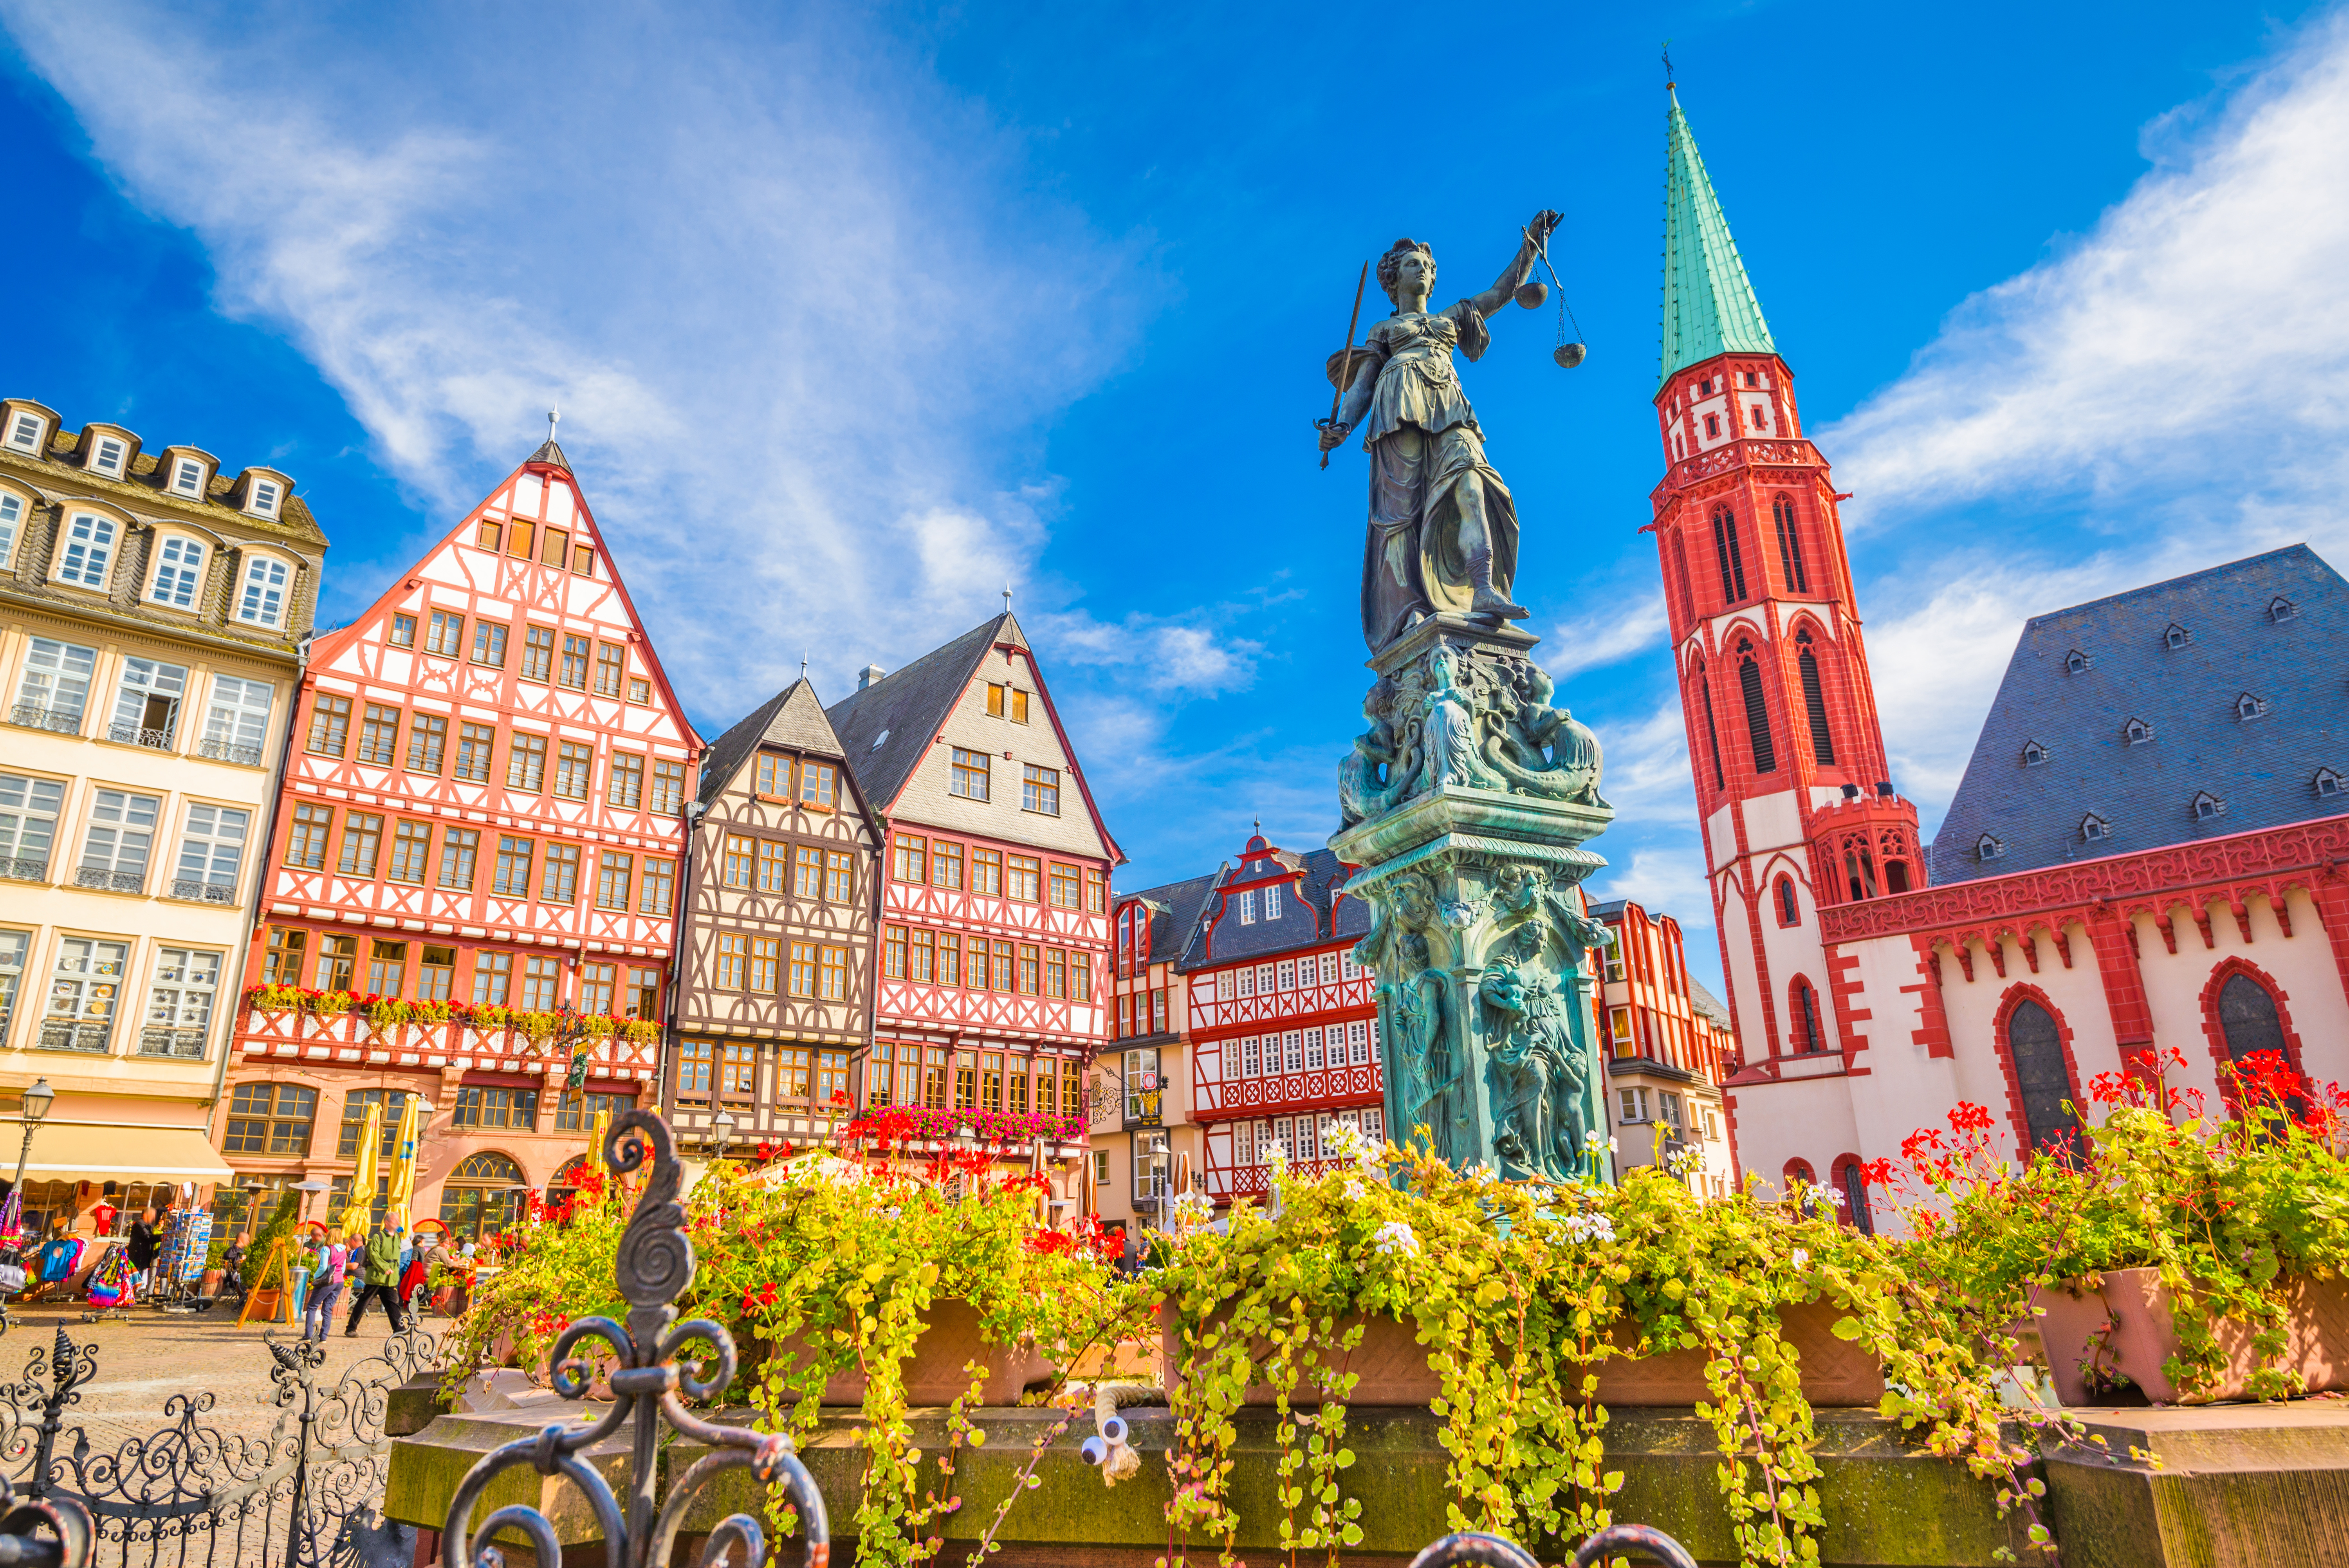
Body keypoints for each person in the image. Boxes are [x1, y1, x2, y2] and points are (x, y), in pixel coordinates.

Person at [1315, 212, 1561, 651]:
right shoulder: (1386, 330)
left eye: (1427, 266)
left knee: (1473, 485)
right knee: (1401, 517)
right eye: (1413, 265)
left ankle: (1485, 589)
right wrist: (1343, 426)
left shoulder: (1452, 318)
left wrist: (1531, 247)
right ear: (1392, 280)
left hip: (1449, 407)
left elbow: (1502, 293)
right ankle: (1407, 608)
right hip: (1399, 408)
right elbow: (1363, 386)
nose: (1423, 271)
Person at [344, 1222, 407, 1335]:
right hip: (376, 1277)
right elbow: (374, 1256)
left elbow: (395, 1259)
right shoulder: (379, 1237)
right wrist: (385, 1268)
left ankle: (399, 1328)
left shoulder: (396, 1239)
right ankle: (351, 1328)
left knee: (392, 1303)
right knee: (364, 1302)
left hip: (388, 1278)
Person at [303, 1237, 348, 1342]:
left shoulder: (327, 1249)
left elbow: (323, 1267)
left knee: (312, 1306)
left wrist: (316, 1277)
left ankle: (309, 1335)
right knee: (328, 1308)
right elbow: (343, 1269)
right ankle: (323, 1337)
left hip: (327, 1281)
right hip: (339, 1281)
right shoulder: (344, 1250)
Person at [124, 1208, 159, 1294]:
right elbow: (148, 1237)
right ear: (146, 1215)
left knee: (138, 1275)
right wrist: (161, 1237)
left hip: (143, 1256)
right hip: (138, 1255)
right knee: (135, 1276)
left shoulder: (148, 1225)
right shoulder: (140, 1224)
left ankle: (131, 1294)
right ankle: (130, 1295)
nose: (154, 1217)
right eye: (152, 1215)